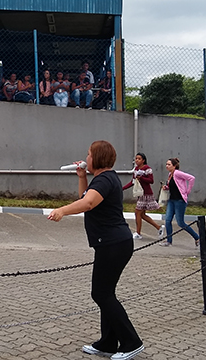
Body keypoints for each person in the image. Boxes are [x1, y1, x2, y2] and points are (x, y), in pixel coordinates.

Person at [47, 140, 145, 360]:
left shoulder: (104, 179)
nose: (86, 157)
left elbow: (88, 204)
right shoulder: (103, 180)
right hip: (110, 243)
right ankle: (108, 343)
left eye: (89, 154)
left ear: (98, 158)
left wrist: (62, 210)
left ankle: (131, 342)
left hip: (114, 244)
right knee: (105, 293)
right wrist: (82, 178)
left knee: (101, 293)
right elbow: (85, 199)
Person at [122, 153, 163, 240]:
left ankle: (138, 233)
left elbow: (151, 181)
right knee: (142, 214)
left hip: (146, 194)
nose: (137, 160)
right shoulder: (136, 169)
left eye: (139, 159)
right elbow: (133, 182)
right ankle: (159, 227)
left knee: (137, 212)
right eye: (136, 158)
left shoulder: (147, 169)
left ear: (143, 160)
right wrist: (122, 188)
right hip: (140, 194)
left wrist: (142, 178)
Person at [160, 158, 199, 246]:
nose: (167, 166)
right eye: (166, 164)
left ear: (174, 166)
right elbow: (174, 185)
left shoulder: (177, 173)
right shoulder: (170, 174)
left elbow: (191, 178)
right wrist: (166, 187)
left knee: (180, 222)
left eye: (169, 164)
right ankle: (169, 240)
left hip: (180, 200)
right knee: (167, 220)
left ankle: (197, 237)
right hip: (172, 199)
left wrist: (187, 191)